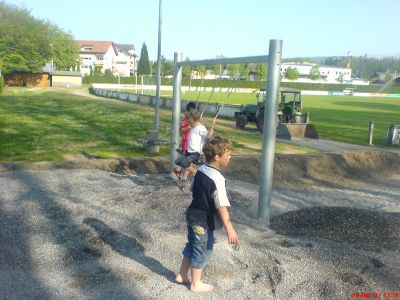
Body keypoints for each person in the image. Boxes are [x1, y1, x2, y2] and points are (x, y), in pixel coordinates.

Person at [175, 136, 239, 292]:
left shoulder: (202, 170)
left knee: (192, 244)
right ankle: (196, 284)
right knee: (202, 249)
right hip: (202, 221)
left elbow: (192, 189)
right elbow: (222, 206)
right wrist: (229, 228)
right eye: (228, 154)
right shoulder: (217, 179)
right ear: (218, 157)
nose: (230, 157)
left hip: (192, 215)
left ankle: (182, 275)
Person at [173, 110, 217, 181]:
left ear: (196, 120)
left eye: (191, 122)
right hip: (189, 152)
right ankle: (181, 173)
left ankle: (198, 174)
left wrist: (212, 126)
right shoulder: (193, 128)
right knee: (177, 161)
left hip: (197, 154)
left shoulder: (201, 128)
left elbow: (209, 136)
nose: (189, 124)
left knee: (184, 163)